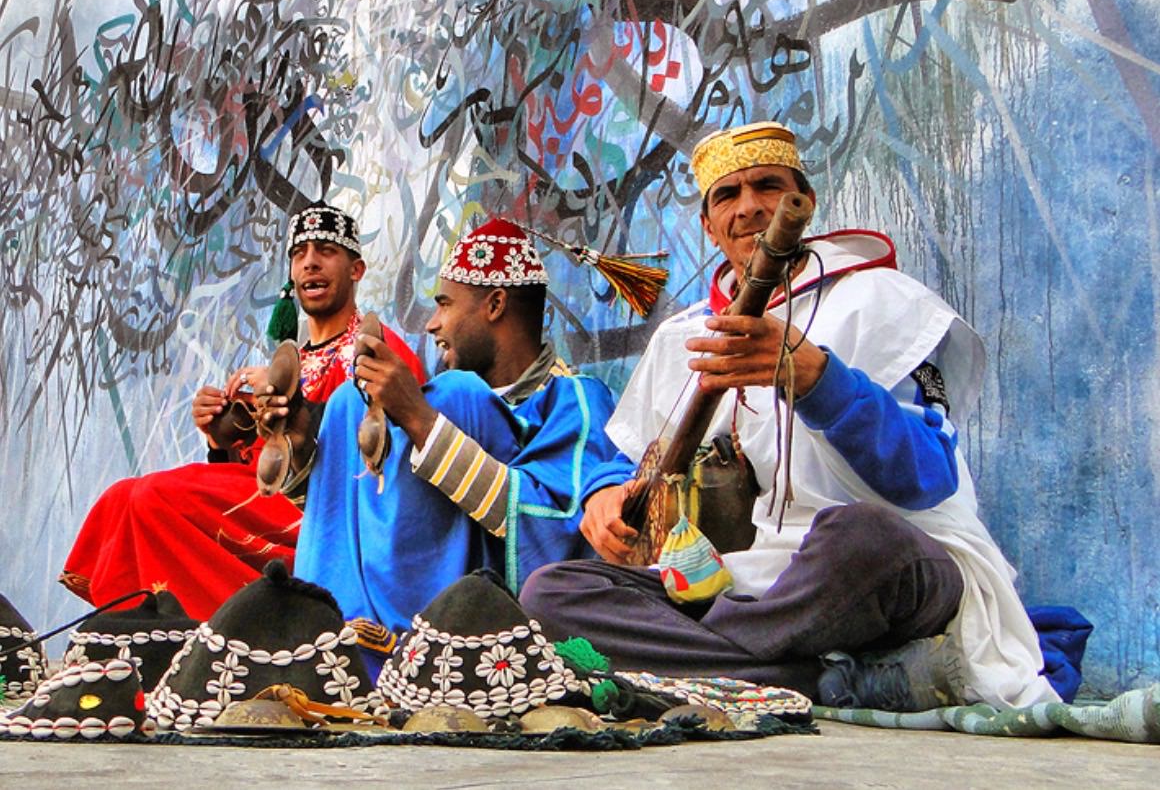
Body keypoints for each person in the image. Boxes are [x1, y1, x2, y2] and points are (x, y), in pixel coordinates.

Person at [519, 121, 1059, 711]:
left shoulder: (881, 300)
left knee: (861, 536)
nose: (749, 207)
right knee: (553, 593)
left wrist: (819, 379)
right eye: (727, 195)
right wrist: (603, 495)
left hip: (881, 567)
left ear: (805, 201)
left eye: (768, 186)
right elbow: (627, 461)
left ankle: (731, 660)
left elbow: (928, 476)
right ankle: (810, 676)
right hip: (750, 579)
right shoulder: (682, 337)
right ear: (709, 226)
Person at [262, 218, 620, 674]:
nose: (431, 324)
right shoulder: (440, 399)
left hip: (474, 620)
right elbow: (366, 518)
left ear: (495, 305)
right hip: (356, 620)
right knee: (349, 402)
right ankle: (329, 639)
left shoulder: (575, 398)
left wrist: (420, 420)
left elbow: (557, 531)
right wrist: (300, 443)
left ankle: (402, 647)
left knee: (455, 394)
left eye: (445, 304)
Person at [60, 203, 424, 620]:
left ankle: (208, 625)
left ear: (356, 269)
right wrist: (222, 438)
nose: (310, 263)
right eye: (299, 254)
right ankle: (137, 629)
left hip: (332, 512)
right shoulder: (296, 357)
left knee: (150, 498)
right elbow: (260, 469)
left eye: (326, 251)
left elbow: (389, 453)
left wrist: (296, 406)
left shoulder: (378, 349)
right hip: (277, 501)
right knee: (120, 497)